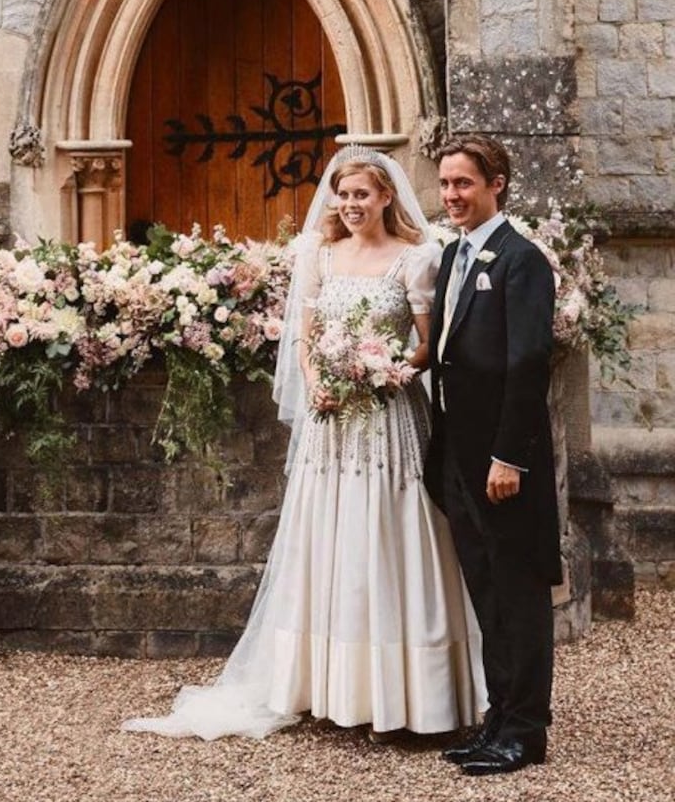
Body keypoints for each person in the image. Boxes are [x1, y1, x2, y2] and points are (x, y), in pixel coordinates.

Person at [125, 147, 483, 740]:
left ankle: (409, 693)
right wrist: (320, 384)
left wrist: (385, 371)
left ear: (386, 197)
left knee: (391, 535)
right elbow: (305, 339)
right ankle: (326, 684)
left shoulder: (416, 258)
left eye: (362, 195)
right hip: (331, 423)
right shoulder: (319, 254)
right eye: (343, 196)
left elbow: (428, 344)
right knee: (331, 537)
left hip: (388, 418)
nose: (350, 205)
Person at [425, 135, 559, 777]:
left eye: (464, 184)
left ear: (497, 183)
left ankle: (526, 732)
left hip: (504, 465)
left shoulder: (521, 260)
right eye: (446, 184)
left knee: (519, 594)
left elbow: (528, 364)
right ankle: (497, 719)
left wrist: (510, 456)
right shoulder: (454, 256)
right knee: (486, 594)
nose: (451, 195)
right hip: (458, 455)